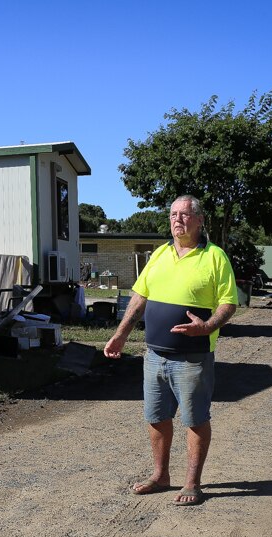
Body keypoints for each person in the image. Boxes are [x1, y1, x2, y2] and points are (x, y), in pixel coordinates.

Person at [103, 195, 238, 505]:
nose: (178, 219)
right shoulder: (161, 253)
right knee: (156, 416)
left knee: (194, 419)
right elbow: (139, 297)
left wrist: (206, 327)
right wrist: (120, 334)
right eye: (174, 214)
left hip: (193, 358)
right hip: (155, 356)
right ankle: (161, 475)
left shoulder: (215, 257)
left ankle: (192, 483)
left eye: (186, 215)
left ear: (200, 220)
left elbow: (228, 302)